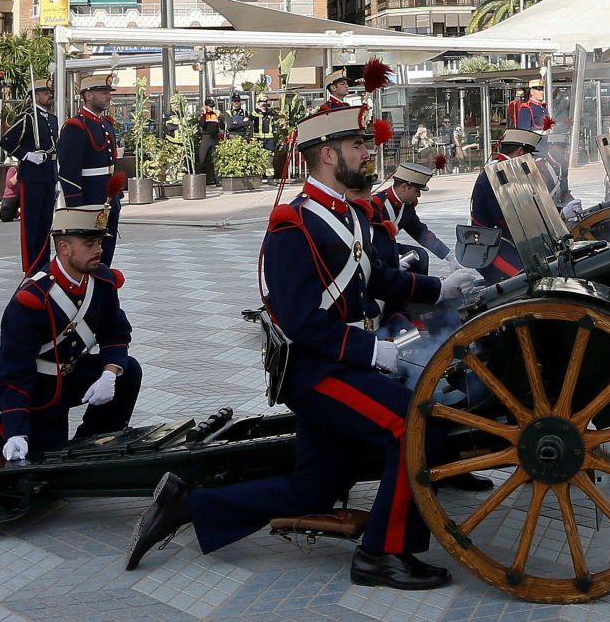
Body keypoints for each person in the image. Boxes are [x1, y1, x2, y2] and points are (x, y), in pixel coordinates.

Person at [125, 106, 483, 587]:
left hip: (343, 365)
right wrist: (370, 352)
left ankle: (191, 505)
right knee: (414, 427)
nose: (366, 151)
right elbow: (299, 322)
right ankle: (382, 553)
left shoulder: (350, 214)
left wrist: (442, 288)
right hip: (318, 373)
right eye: (356, 146)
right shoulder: (291, 226)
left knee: (314, 489)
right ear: (329, 154)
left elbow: (379, 278)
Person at [0, 205, 142, 460]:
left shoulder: (102, 281)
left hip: (66, 377)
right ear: (64, 249)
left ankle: (91, 444)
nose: (99, 250)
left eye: (100, 242)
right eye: (89, 244)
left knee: (129, 371)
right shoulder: (32, 299)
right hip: (33, 390)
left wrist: (109, 376)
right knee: (45, 457)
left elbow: (116, 333)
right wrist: (17, 432)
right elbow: (14, 372)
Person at [58, 75, 125, 267]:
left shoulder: (105, 124)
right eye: (103, 93)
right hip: (89, 199)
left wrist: (115, 195)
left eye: (108, 93)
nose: (108, 97)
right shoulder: (75, 126)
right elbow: (68, 172)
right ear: (87, 95)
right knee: (89, 254)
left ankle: (102, 287)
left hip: (109, 197)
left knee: (107, 250)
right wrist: (77, 206)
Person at [471, 126, 543, 279]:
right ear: (520, 152)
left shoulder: (508, 170)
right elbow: (504, 217)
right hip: (488, 245)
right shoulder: (495, 174)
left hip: (507, 239)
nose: (532, 160)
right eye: (530, 155)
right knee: (526, 279)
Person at [2, 80, 59, 273]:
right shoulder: (27, 117)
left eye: (49, 92)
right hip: (33, 174)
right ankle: (31, 265)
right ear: (35, 95)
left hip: (49, 174)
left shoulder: (52, 119)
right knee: (31, 222)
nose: (49, 95)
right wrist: (27, 155)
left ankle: (43, 262)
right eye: (44, 92)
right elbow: (6, 140)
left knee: (45, 222)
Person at [375, 161, 450, 267]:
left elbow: (420, 233)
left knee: (420, 256)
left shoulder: (406, 207)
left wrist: (449, 256)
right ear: (404, 188)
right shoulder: (377, 204)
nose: (419, 195)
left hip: (388, 248)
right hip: (375, 251)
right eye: (417, 190)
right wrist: (393, 262)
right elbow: (370, 241)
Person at [195, 104, 222, 184]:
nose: (211, 108)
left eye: (212, 106)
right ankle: (199, 181)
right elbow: (202, 124)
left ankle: (218, 180)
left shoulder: (215, 115)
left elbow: (222, 126)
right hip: (206, 138)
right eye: (209, 106)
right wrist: (203, 114)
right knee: (202, 159)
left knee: (216, 160)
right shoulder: (203, 115)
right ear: (206, 107)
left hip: (214, 138)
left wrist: (219, 117)